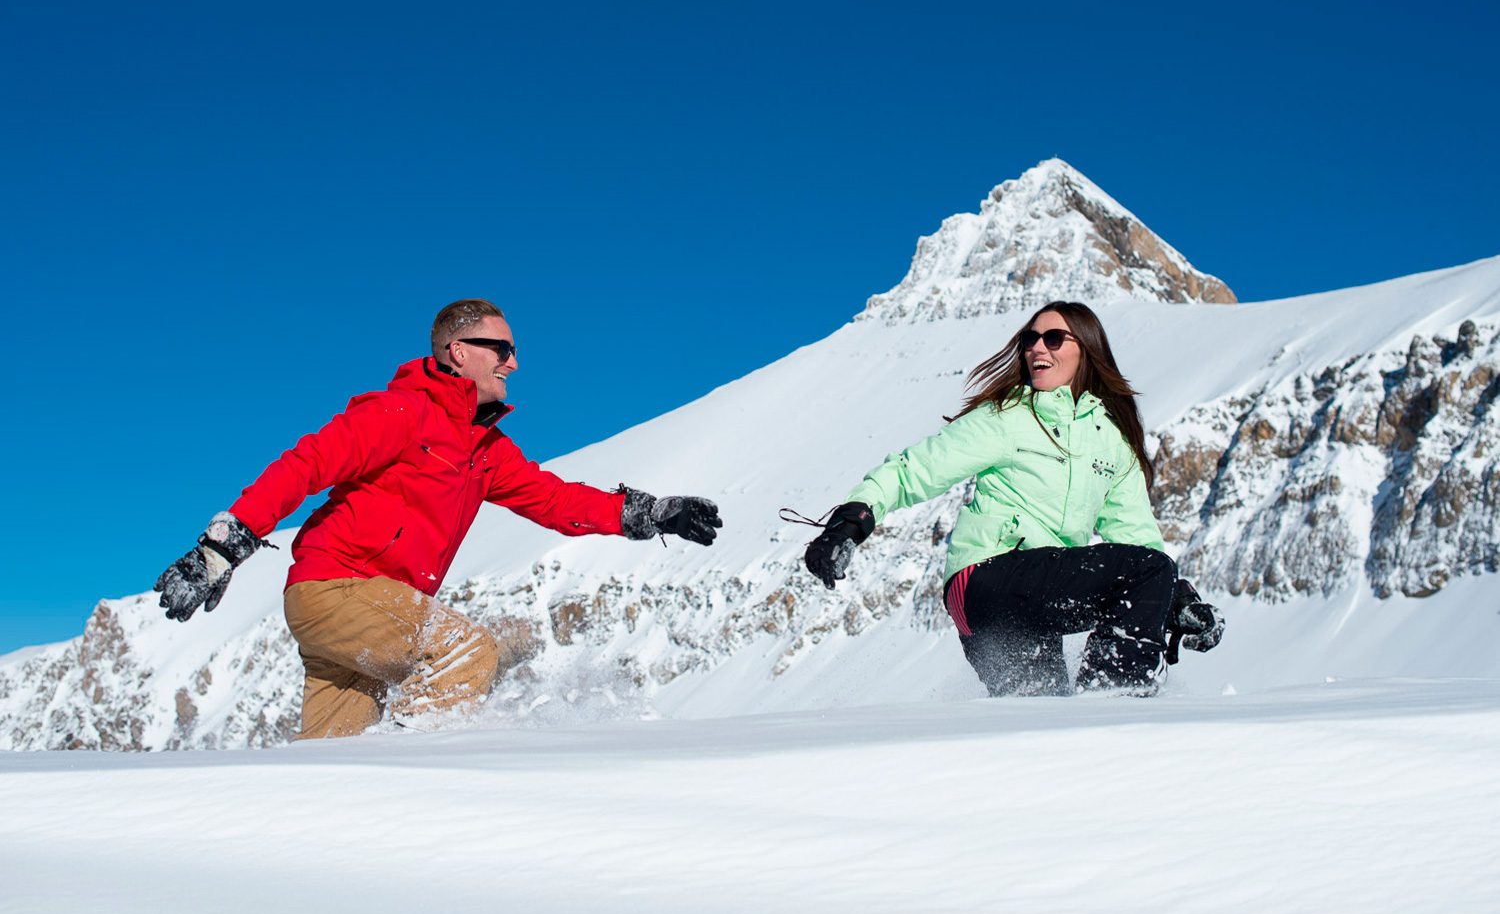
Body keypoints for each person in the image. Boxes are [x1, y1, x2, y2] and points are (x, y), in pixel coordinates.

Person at [154, 299, 722, 738]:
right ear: (457, 350)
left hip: (377, 611)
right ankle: (422, 786)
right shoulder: (401, 412)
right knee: (466, 651)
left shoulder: (485, 449)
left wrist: (647, 512)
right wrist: (219, 549)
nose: (514, 362)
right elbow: (309, 464)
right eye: (501, 349)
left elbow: (553, 499)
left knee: (335, 763)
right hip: (337, 588)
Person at [802, 301, 1220, 696]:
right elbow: (915, 470)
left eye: (1054, 338)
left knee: (1042, 714)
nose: (1037, 347)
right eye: (1030, 339)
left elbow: (1137, 538)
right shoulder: (1007, 417)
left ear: (1086, 350)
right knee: (1145, 572)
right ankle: (1114, 706)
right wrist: (849, 525)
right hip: (987, 577)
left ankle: (1082, 744)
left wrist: (1178, 599)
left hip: (1033, 602)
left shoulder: (1111, 445)